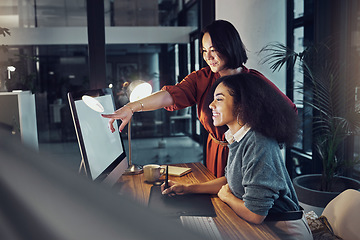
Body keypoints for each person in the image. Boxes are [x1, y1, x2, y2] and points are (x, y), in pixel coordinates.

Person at [102, 20, 296, 178]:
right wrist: (132, 107)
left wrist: (262, 144)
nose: (208, 56)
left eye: (213, 49)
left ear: (229, 46)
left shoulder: (253, 81)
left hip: (246, 156)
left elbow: (288, 111)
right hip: (215, 152)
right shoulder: (202, 78)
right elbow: (170, 95)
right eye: (204, 51)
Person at [161, 73, 312, 240]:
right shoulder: (238, 136)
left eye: (219, 99)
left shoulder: (257, 143)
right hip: (264, 227)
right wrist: (188, 189)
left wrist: (227, 197)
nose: (210, 105)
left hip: (284, 232)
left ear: (241, 105)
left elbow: (255, 214)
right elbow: (231, 180)